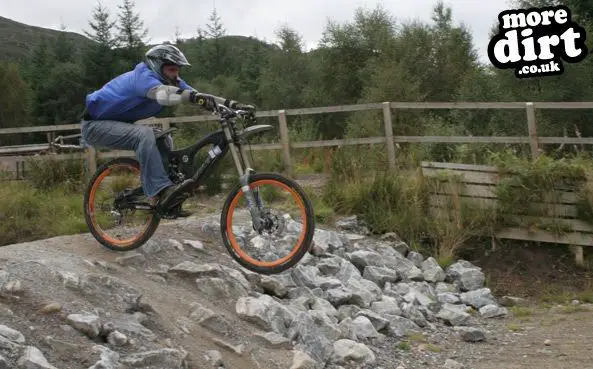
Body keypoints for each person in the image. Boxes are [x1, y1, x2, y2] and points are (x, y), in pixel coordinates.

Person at [80, 43, 254, 215]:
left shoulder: (171, 80)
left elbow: (200, 96)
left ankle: (169, 201)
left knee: (164, 138)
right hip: (95, 125)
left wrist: (234, 105)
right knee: (145, 135)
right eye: (172, 69)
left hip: (117, 123)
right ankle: (159, 190)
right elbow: (163, 95)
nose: (176, 74)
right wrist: (193, 97)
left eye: (178, 70)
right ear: (158, 66)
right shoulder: (143, 77)